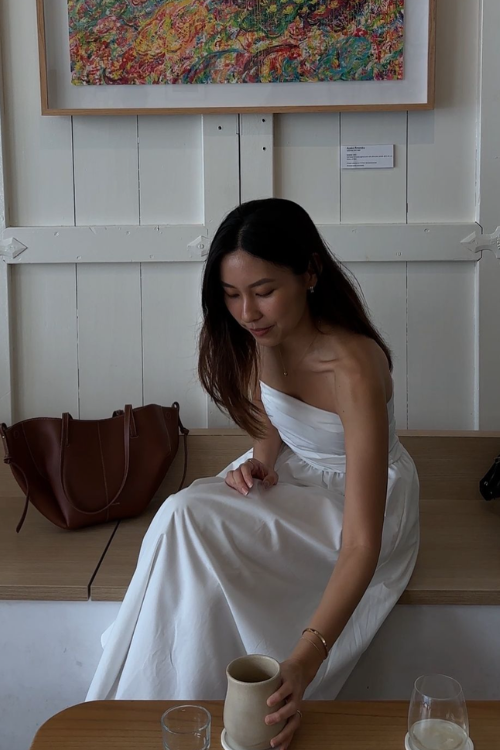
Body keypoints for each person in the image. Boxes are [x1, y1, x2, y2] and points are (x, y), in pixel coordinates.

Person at [87, 198, 419, 750]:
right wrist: (261, 459)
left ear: (310, 273)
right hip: (292, 474)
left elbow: (363, 542)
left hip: (362, 503)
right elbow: (274, 425)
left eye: (264, 291)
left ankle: (202, 706)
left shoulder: (354, 367)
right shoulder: (260, 336)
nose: (247, 313)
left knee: (191, 518)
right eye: (231, 294)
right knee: (182, 518)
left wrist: (306, 659)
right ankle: (161, 703)